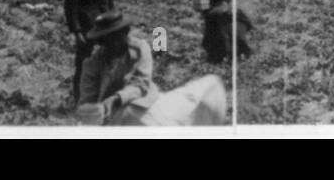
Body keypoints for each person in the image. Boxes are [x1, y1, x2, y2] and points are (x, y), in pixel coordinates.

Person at [75, 11, 229, 126]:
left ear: (125, 33)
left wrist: (116, 99)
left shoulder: (140, 48)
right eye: (108, 40)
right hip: (110, 116)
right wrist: (94, 110)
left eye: (117, 37)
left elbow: (140, 84)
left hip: (139, 103)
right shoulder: (92, 63)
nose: (114, 43)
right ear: (102, 41)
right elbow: (86, 100)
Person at [65, 0, 114, 103]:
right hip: (87, 28)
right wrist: (77, 31)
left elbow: (109, 3)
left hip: (104, 27)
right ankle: (79, 100)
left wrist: (114, 23)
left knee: (105, 62)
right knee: (84, 64)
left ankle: (99, 97)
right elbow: (70, 8)